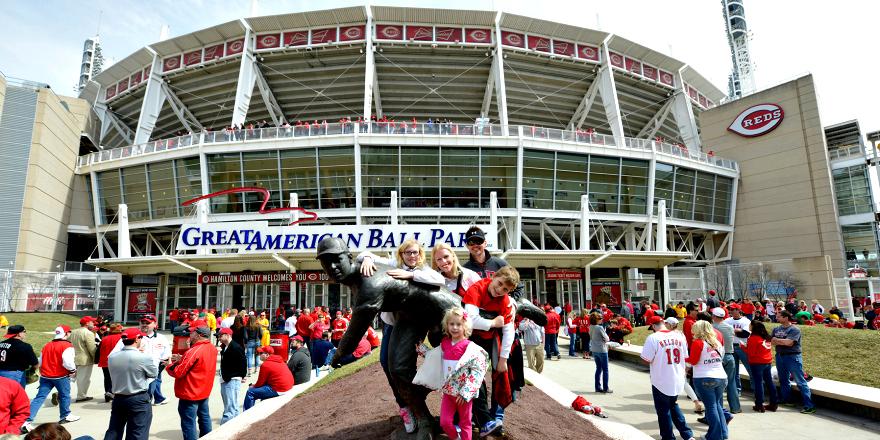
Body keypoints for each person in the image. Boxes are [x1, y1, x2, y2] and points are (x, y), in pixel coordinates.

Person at [356, 238, 445, 435]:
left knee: (402, 366)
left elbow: (439, 280)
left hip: (413, 325)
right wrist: (368, 259)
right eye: (408, 253)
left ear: (420, 254)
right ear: (401, 254)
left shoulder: (423, 270)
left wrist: (410, 275)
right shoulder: (393, 263)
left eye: (415, 252)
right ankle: (404, 406)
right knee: (385, 363)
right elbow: (364, 254)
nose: (412, 256)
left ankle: (416, 405)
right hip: (391, 324)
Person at [413, 307, 489, 440]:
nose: (455, 327)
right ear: (447, 326)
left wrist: (466, 392)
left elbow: (477, 371)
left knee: (465, 423)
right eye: (451, 324)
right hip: (448, 392)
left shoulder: (470, 347)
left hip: (463, 394)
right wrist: (421, 348)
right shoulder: (445, 344)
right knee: (445, 422)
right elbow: (434, 356)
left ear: (465, 326)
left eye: (458, 324)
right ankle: (456, 437)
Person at [640, 316, 694, 440]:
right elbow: (685, 356)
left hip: (661, 379)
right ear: (663, 323)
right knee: (673, 405)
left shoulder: (653, 337)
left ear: (653, 326)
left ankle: (668, 437)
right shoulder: (679, 336)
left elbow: (645, 359)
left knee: (663, 411)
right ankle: (687, 435)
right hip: (677, 377)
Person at [165, 320, 218, 440]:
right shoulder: (211, 348)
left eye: (192, 332)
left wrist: (169, 365)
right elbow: (199, 364)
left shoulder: (194, 351)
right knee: (204, 418)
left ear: (198, 334)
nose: (190, 334)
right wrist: (182, 358)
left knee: (189, 423)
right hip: (203, 391)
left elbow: (178, 373)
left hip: (190, 393)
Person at [22, 326, 80, 433]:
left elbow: (41, 360)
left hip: (46, 376)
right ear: (66, 333)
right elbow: (67, 362)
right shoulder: (67, 345)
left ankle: (26, 421)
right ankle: (65, 415)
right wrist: (73, 370)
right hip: (60, 376)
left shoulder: (47, 345)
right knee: (64, 395)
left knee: (39, 398)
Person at [104, 328, 157, 440]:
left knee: (114, 430)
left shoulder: (112, 357)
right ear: (137, 339)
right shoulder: (143, 357)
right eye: (141, 337)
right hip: (138, 398)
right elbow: (153, 373)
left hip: (119, 398)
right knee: (137, 432)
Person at [686, 321, 727, 440]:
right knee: (717, 405)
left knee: (711, 407)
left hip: (704, 377)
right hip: (721, 376)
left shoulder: (698, 343)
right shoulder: (717, 342)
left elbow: (693, 361)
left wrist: (682, 358)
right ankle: (722, 433)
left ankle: (715, 436)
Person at [771, 310, 815, 414]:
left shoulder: (794, 329)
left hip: (792, 357)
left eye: (779, 316)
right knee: (783, 380)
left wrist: (778, 340)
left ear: (786, 317)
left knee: (800, 381)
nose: (777, 318)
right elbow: (771, 341)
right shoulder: (776, 329)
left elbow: (790, 343)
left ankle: (809, 405)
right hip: (780, 356)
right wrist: (781, 341)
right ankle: (787, 400)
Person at [711, 307, 740, 414]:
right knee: (731, 383)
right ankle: (735, 407)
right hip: (730, 356)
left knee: (718, 385)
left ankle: (720, 409)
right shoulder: (729, 327)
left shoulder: (711, 327)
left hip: (717, 357)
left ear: (714, 316)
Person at [743, 321, 777, 413]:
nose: (749, 326)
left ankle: (759, 404)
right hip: (767, 362)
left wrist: (743, 347)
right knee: (769, 382)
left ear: (754, 327)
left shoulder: (753, 338)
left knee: (758, 383)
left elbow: (751, 353)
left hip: (757, 363)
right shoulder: (766, 337)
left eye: (750, 325)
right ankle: (773, 403)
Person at [138, 315, 170, 406]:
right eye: (142, 323)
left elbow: (167, 352)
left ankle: (155, 399)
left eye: (147, 323)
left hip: (157, 365)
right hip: (138, 367)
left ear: (155, 324)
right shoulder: (135, 337)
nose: (144, 325)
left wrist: (164, 361)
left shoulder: (161, 338)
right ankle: (156, 399)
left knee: (155, 381)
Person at [217, 327, 246, 424]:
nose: (219, 338)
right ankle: (235, 427)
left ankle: (224, 429)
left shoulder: (236, 347)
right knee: (232, 406)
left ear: (228, 335)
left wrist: (241, 375)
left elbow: (243, 362)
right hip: (227, 379)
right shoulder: (226, 347)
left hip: (231, 379)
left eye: (221, 335)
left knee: (230, 407)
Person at [724, 305, 752, 394]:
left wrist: (731, 331)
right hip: (730, 347)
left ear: (738, 310)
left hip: (742, 347)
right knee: (734, 370)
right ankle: (737, 390)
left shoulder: (746, 321)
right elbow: (724, 333)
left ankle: (755, 390)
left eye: (732, 309)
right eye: (730, 309)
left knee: (750, 369)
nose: (731, 311)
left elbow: (745, 334)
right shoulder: (727, 320)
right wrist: (737, 331)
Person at [68, 317, 97, 403]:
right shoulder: (88, 333)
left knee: (72, 378)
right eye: (92, 322)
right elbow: (92, 348)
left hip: (73, 358)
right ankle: (81, 396)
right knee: (84, 379)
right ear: (87, 323)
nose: (93, 323)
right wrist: (96, 359)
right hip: (85, 359)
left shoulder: (73, 332)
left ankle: (61, 393)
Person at [96, 324, 123, 403]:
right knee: (118, 379)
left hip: (105, 361)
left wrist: (96, 360)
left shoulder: (104, 339)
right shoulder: (122, 338)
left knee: (107, 378)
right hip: (118, 362)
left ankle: (108, 392)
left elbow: (98, 350)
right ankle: (116, 394)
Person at [589, 313, 611, 393]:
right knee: (605, 369)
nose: (602, 319)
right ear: (596, 320)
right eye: (600, 318)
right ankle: (606, 388)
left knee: (598, 368)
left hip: (594, 349)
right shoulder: (600, 327)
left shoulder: (590, 327)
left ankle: (597, 387)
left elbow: (591, 337)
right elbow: (607, 338)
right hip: (602, 349)